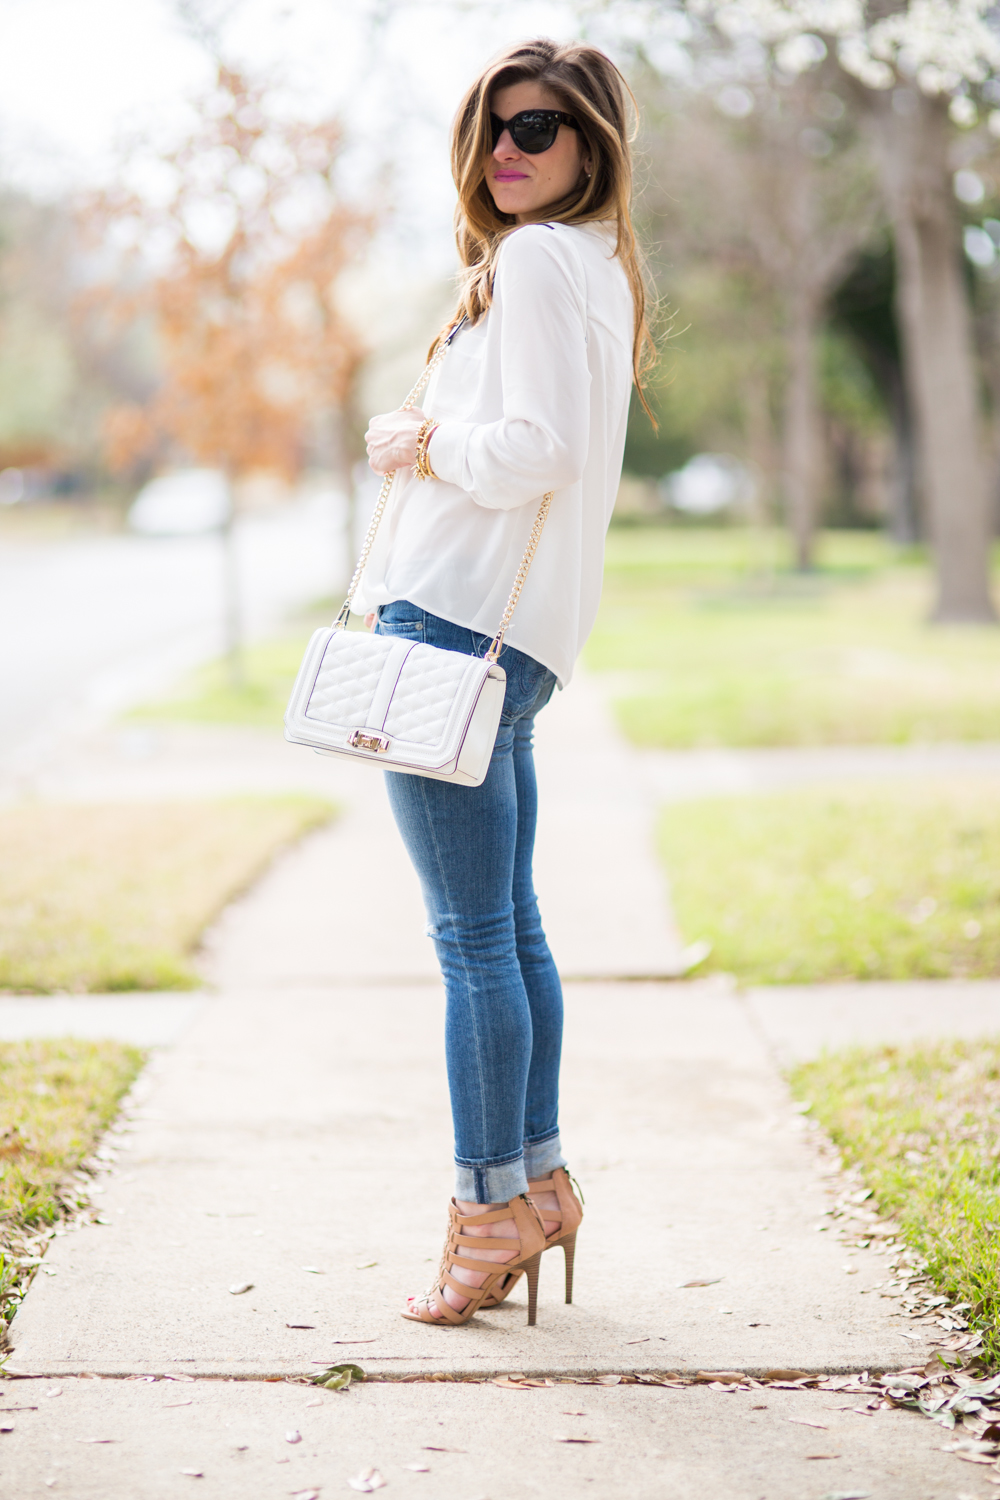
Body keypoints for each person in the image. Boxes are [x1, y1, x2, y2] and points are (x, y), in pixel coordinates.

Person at [360, 36, 653, 1327]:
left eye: (538, 128)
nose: (509, 152)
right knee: (510, 929)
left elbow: (536, 450)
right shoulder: (591, 269)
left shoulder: (537, 262)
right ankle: (534, 1185)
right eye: (491, 129)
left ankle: (489, 1215)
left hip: (455, 630)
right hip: (515, 637)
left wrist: (423, 440)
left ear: (592, 142)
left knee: (473, 940)